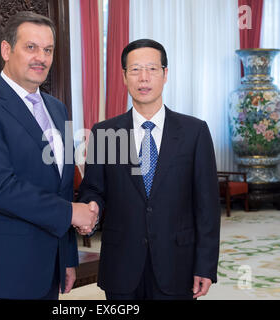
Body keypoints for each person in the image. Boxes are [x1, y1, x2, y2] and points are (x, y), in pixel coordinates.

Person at [0, 11, 97, 300]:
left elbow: (63, 186)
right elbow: (0, 188)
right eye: (31, 47)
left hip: (46, 272)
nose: (40, 58)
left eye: (48, 50)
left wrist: (66, 259)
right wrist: (72, 212)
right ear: (7, 50)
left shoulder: (58, 110)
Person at [77, 39, 221, 300]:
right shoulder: (105, 132)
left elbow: (207, 206)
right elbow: (93, 189)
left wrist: (206, 265)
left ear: (165, 74)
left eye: (152, 69)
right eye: (135, 70)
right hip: (121, 264)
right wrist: (92, 207)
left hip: (178, 264)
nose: (144, 78)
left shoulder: (194, 132)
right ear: (124, 76)